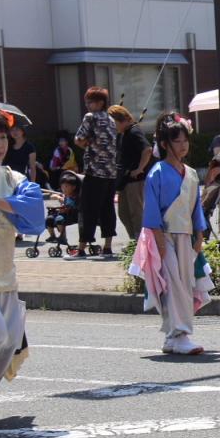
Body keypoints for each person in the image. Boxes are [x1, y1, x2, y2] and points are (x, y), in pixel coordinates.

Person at [0, 99, 45, 426]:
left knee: (5, 344)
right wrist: (9, 205)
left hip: (4, 274)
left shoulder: (13, 178)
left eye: (3, 137)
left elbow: (34, 214)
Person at [135, 113, 210, 356]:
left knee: (185, 284)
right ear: (165, 144)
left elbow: (196, 206)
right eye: (177, 141)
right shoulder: (157, 171)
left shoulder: (190, 173)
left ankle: (173, 335)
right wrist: (159, 240)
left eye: (185, 140)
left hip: (186, 236)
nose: (183, 145)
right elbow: (152, 209)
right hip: (165, 236)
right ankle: (180, 333)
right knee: (174, 284)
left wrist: (199, 233)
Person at [69, 86, 118, 259]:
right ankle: (107, 247)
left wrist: (87, 144)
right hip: (111, 171)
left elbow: (78, 139)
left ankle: (81, 248)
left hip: (94, 170)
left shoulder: (91, 118)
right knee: (107, 209)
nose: (88, 105)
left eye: (90, 101)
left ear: (100, 103)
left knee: (87, 209)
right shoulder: (111, 119)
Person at [109, 105, 152, 243]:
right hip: (124, 180)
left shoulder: (134, 131)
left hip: (135, 180)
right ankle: (134, 239)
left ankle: (141, 242)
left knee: (136, 212)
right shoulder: (123, 134)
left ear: (121, 119)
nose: (113, 126)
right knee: (123, 213)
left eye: (114, 123)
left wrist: (140, 168)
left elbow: (147, 150)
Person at [46, 173, 80, 245]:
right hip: (62, 213)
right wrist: (58, 198)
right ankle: (52, 236)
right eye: (62, 187)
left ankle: (63, 236)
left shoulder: (75, 197)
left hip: (71, 215)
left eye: (66, 187)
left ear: (73, 187)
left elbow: (72, 206)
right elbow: (54, 196)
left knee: (59, 219)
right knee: (49, 219)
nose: (64, 189)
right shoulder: (64, 195)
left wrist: (63, 203)